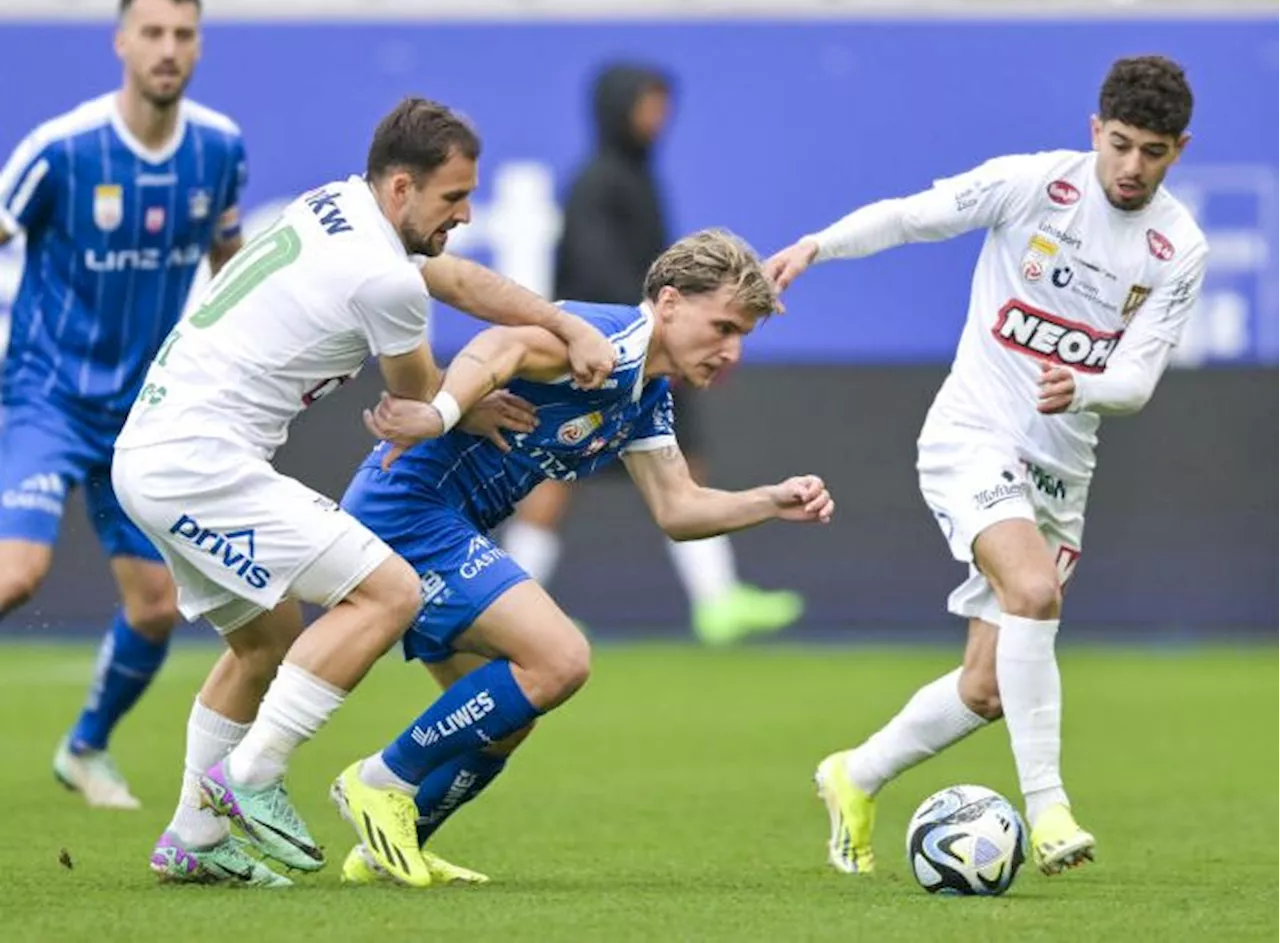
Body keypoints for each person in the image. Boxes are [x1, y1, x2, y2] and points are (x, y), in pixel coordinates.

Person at [111, 97, 617, 886]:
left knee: (263, 641)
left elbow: (455, 278)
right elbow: (417, 407)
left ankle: (192, 837)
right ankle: (250, 776)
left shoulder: (338, 204)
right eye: (453, 197)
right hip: (198, 462)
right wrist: (460, 404)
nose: (465, 213)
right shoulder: (386, 280)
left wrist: (561, 323)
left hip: (155, 450)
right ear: (401, 190)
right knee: (391, 591)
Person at [766, 55, 1206, 877]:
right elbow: (910, 217)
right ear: (1094, 131)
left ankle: (852, 774)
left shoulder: (1177, 245)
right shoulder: (1033, 186)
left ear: (1178, 149)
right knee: (1033, 590)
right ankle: (1049, 811)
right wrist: (815, 247)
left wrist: (1087, 384)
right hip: (971, 434)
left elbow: (1138, 380)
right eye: (1119, 144)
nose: (1131, 166)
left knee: (987, 687)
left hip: (1060, 470)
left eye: (1151, 151)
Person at [332, 229, 834, 887]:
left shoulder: (646, 395)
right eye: (723, 326)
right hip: (410, 512)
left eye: (742, 335)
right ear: (671, 302)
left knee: (507, 717)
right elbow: (503, 342)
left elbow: (678, 509)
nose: (731, 349)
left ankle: (388, 850)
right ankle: (377, 780)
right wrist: (442, 412)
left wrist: (769, 501)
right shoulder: (605, 338)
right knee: (560, 659)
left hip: (442, 524)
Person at [0, 0, 246, 809]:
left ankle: (84, 749)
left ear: (201, 45)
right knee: (16, 575)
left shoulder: (217, 150)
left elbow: (232, 266)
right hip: (44, 392)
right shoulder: (63, 150)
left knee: (155, 606)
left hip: (140, 411)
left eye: (183, 32)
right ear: (121, 43)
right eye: (152, 32)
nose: (168, 47)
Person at [500, 62, 803, 646]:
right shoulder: (599, 182)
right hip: (605, 354)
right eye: (648, 104)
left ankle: (717, 602)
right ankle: (515, 603)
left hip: (644, 351)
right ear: (619, 107)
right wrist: (652, 339)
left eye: (664, 105)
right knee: (554, 476)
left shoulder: (636, 177)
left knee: (681, 468)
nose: (659, 117)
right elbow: (595, 272)